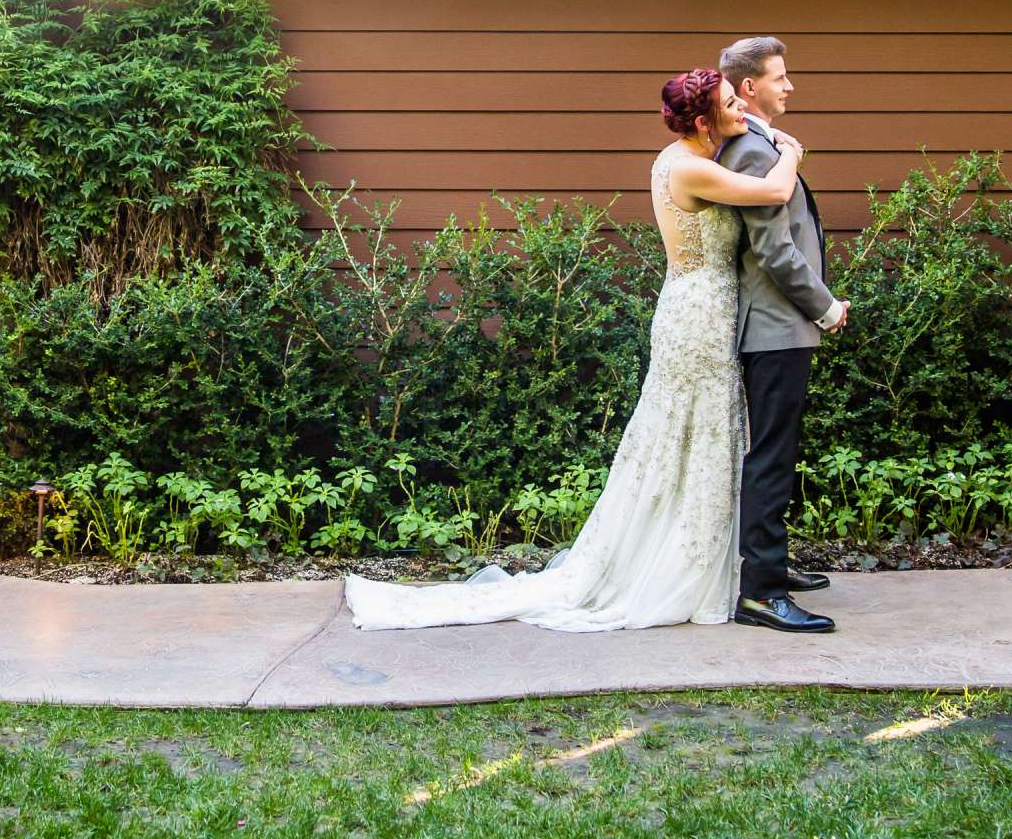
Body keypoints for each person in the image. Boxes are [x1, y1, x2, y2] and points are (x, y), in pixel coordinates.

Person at [342, 67, 803, 632]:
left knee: (688, 436)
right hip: (701, 315)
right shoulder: (691, 169)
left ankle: (696, 556)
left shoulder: (675, 158)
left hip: (694, 306)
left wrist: (760, 129)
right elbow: (777, 190)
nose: (743, 111)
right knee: (697, 433)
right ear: (705, 121)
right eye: (732, 104)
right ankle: (678, 567)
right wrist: (791, 149)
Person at [718, 35, 845, 634]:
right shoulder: (749, 150)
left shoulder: (765, 143)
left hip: (781, 326)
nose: (790, 86)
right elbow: (774, 250)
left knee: (780, 451)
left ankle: (774, 565)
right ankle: (761, 592)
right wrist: (824, 307)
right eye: (779, 77)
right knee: (771, 456)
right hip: (774, 327)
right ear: (749, 88)